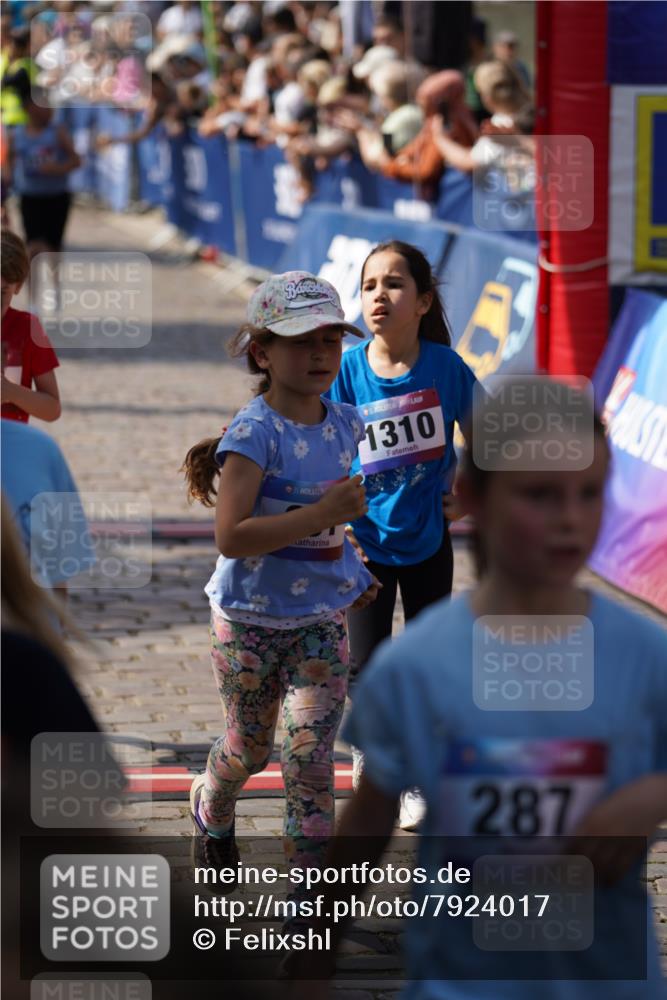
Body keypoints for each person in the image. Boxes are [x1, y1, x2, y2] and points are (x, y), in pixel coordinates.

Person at [289, 376, 667, 999]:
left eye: (590, 493)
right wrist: (312, 962)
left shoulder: (646, 656)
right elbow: (366, 827)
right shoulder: (415, 667)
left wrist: (652, 794)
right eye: (539, 494)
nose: (570, 519)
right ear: (471, 496)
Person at [181, 271, 380, 899]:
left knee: (310, 761)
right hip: (246, 623)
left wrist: (351, 570)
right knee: (250, 750)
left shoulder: (347, 424)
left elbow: (330, 528)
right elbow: (232, 536)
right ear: (262, 353)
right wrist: (321, 514)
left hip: (320, 623)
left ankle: (308, 903)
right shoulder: (253, 434)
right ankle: (211, 805)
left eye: (330, 339)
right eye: (301, 341)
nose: (320, 353)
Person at [329, 241, 478, 827]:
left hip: (428, 541)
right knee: (364, 665)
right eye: (369, 285)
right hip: (363, 545)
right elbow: (320, 448)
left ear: (423, 302)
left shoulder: (446, 368)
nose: (379, 296)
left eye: (394, 284)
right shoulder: (346, 371)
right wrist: (335, 520)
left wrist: (468, 497)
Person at [358, 70, 477, 201]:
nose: (422, 107)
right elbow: (415, 148)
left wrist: (390, 165)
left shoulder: (445, 124)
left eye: (425, 102)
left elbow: (425, 169)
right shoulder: (430, 119)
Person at [3, 88, 80, 261]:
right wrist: (7, 181)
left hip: (57, 196)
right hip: (30, 196)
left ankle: (55, 278)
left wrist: (57, 169)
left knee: (53, 247)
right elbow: (9, 159)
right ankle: (31, 279)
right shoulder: (17, 134)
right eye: (43, 105)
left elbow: (76, 160)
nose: (49, 109)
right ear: (29, 109)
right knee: (32, 245)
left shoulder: (58, 132)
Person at [1, 228, 61, 423]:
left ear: (18, 286)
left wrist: (11, 392)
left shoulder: (28, 328)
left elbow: (52, 409)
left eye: (2, 293)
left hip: (10, 440)